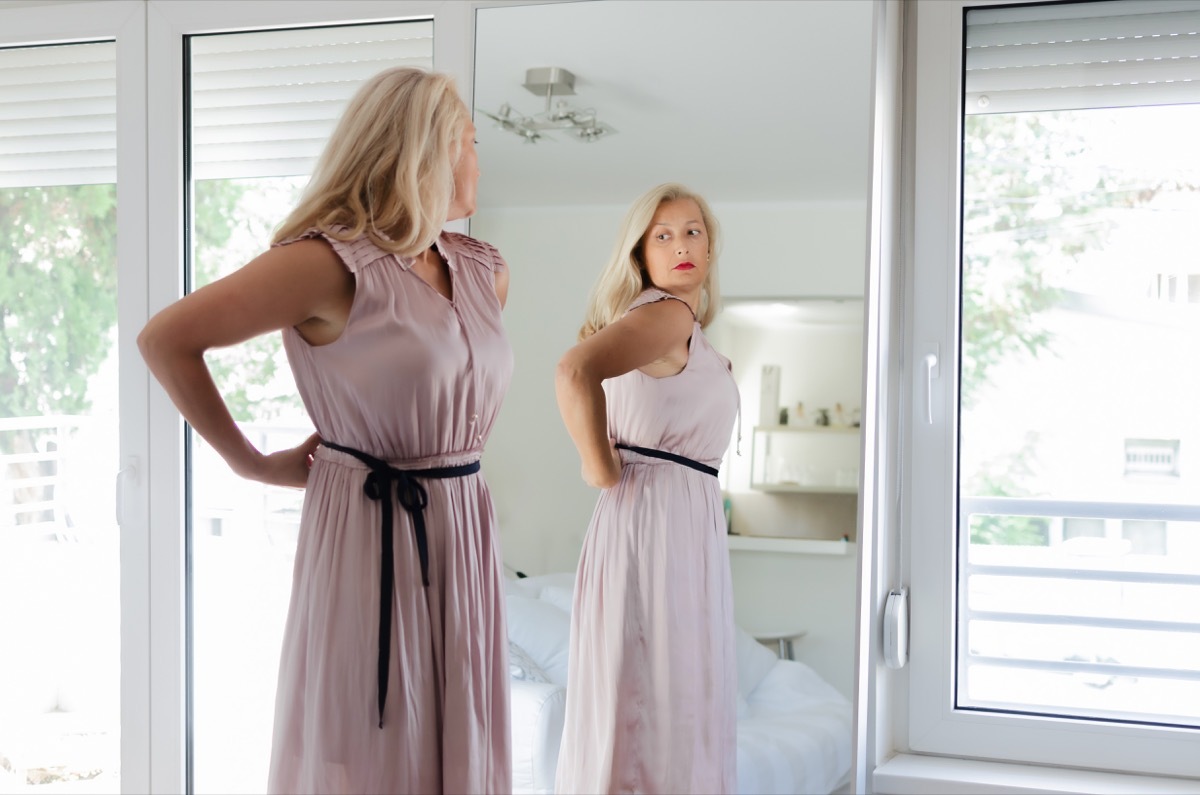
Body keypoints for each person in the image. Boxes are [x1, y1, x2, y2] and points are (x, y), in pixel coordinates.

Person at [138, 67, 513, 794]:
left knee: (460, 725)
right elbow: (166, 339)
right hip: (369, 526)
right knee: (369, 734)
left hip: (464, 523)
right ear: (427, 149)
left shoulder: (484, 270)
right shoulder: (327, 261)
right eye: (470, 142)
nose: (478, 160)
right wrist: (251, 462)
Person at [553, 183, 740, 794]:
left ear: (710, 250)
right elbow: (574, 370)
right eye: (662, 236)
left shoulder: (684, 327)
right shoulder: (666, 313)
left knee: (664, 696)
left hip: (676, 526)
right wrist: (597, 467)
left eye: (692, 232)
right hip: (654, 524)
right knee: (655, 701)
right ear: (641, 255)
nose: (680, 245)